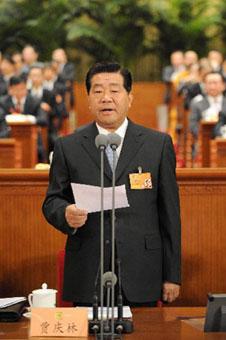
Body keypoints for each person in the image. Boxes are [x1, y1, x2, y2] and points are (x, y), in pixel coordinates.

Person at [42, 62, 181, 307]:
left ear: (130, 98)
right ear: (88, 99)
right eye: (97, 91)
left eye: (114, 90)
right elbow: (52, 200)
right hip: (88, 270)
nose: (106, 98)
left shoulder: (157, 145)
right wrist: (65, 214)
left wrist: (172, 275)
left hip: (142, 271)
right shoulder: (68, 146)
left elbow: (170, 214)